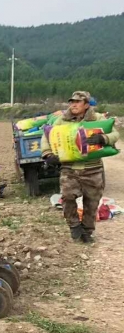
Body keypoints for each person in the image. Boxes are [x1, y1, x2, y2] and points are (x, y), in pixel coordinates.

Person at [41, 91, 119, 243]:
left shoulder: (98, 119)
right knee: (67, 197)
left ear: (87, 104)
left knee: (92, 202)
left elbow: (115, 134)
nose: (73, 105)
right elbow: (47, 136)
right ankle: (74, 226)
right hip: (69, 168)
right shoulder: (61, 121)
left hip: (93, 169)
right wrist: (48, 154)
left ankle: (87, 232)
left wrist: (104, 138)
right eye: (71, 102)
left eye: (78, 102)